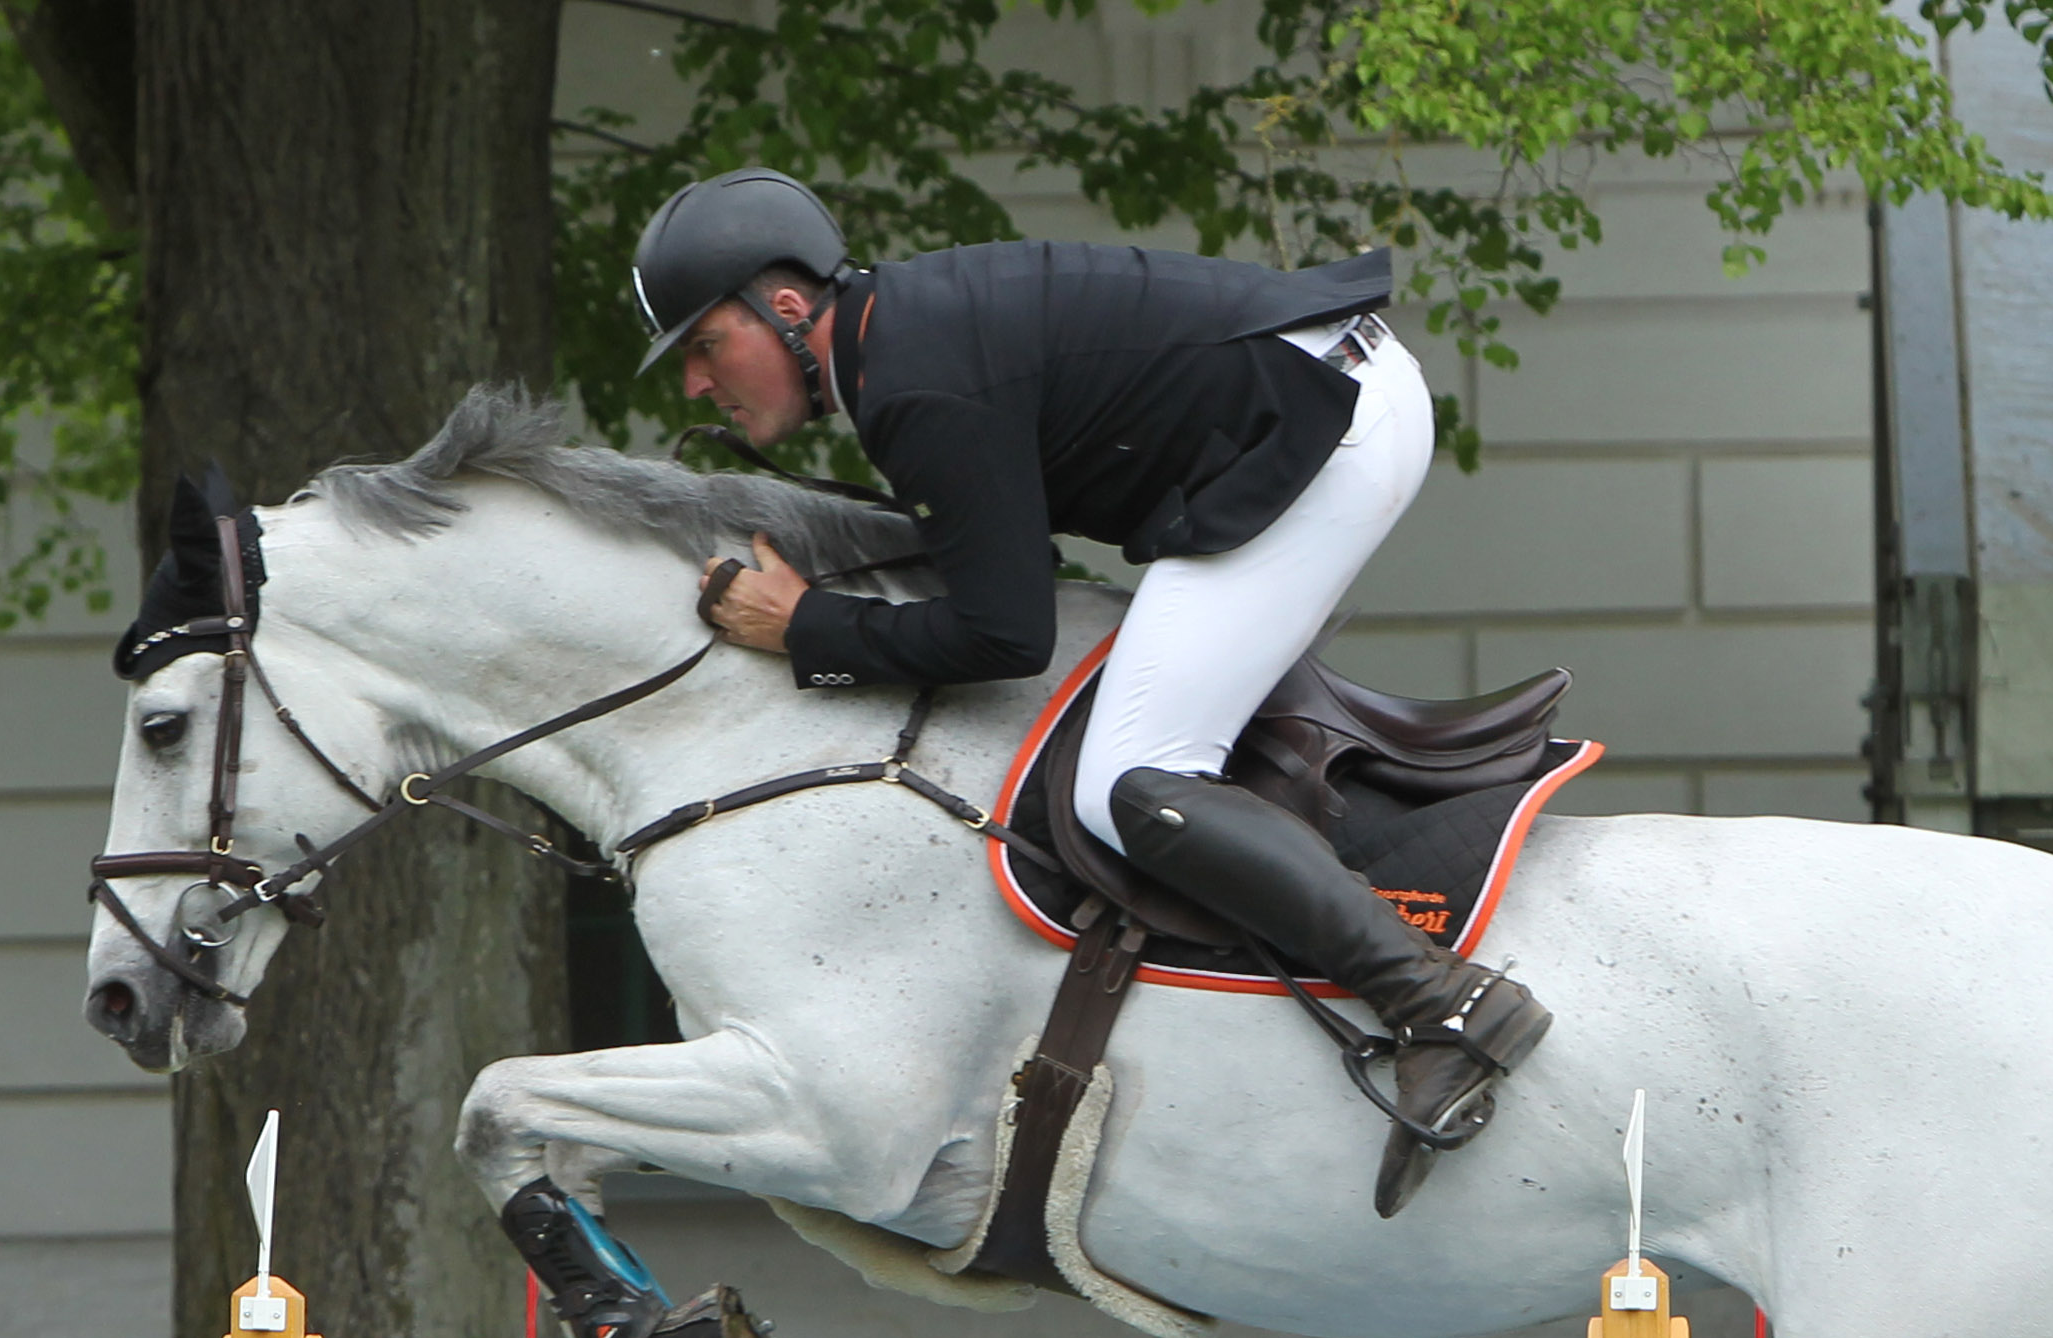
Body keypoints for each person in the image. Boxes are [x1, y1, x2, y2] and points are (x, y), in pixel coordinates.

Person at [629, 169, 1551, 1215]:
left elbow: (1004, 633)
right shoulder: (902, 343)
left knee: (1137, 780)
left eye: (706, 346)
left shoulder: (915, 383)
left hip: (1325, 431)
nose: (698, 385)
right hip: (1311, 399)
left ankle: (1440, 1002)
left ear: (786, 310)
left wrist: (804, 625)